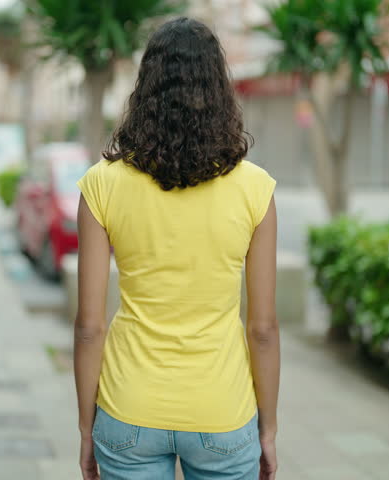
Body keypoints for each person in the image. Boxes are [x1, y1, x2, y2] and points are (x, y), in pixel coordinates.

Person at [74, 17, 280, 480]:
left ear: (145, 90)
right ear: (218, 89)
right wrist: (267, 428)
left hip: (128, 411)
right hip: (222, 413)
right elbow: (263, 329)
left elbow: (89, 327)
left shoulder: (100, 185)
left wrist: (87, 429)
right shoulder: (256, 190)